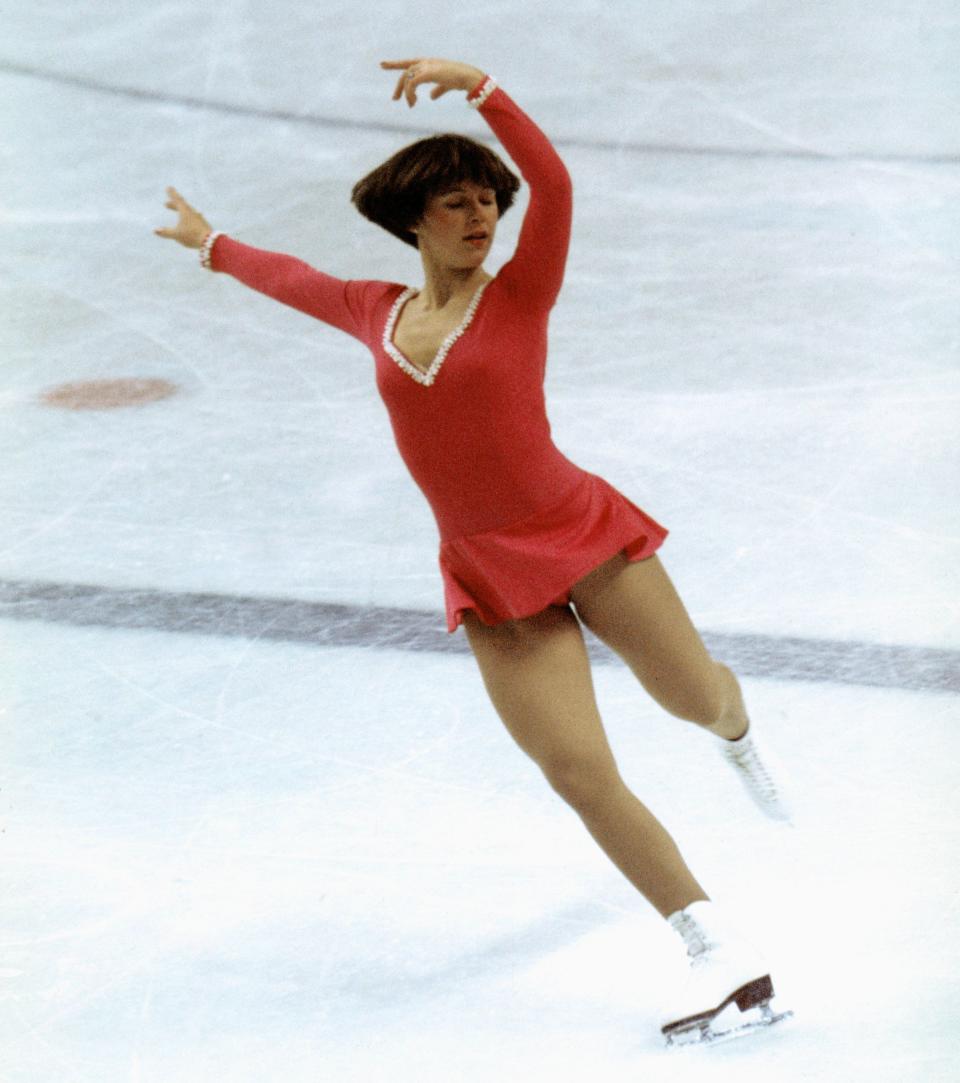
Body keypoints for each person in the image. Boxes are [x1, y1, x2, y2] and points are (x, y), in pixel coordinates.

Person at [156, 57, 791, 1045]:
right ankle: (719, 950)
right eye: (457, 203)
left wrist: (486, 89)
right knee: (577, 769)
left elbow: (562, 187)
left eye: (489, 198)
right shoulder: (379, 310)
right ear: (415, 220)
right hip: (492, 577)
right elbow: (301, 282)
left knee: (692, 696)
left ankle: (737, 727)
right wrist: (213, 245)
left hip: (585, 543)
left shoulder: (523, 293)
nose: (482, 216)